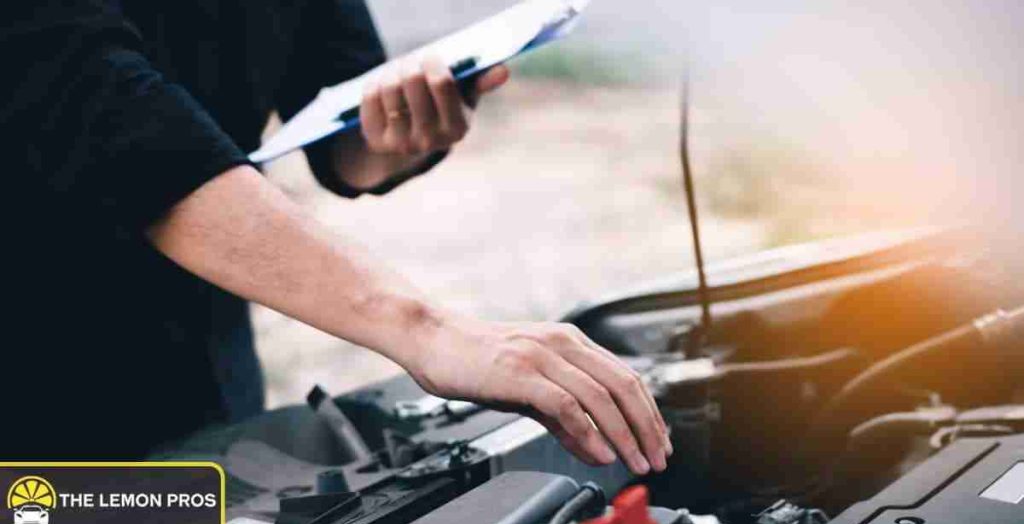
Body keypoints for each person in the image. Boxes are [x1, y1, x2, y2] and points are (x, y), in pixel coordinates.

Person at [0, 0, 670, 475]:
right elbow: (105, 118)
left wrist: (401, 129)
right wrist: (427, 329)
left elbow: (342, 133)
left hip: (207, 375)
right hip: (38, 405)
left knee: (202, 511)